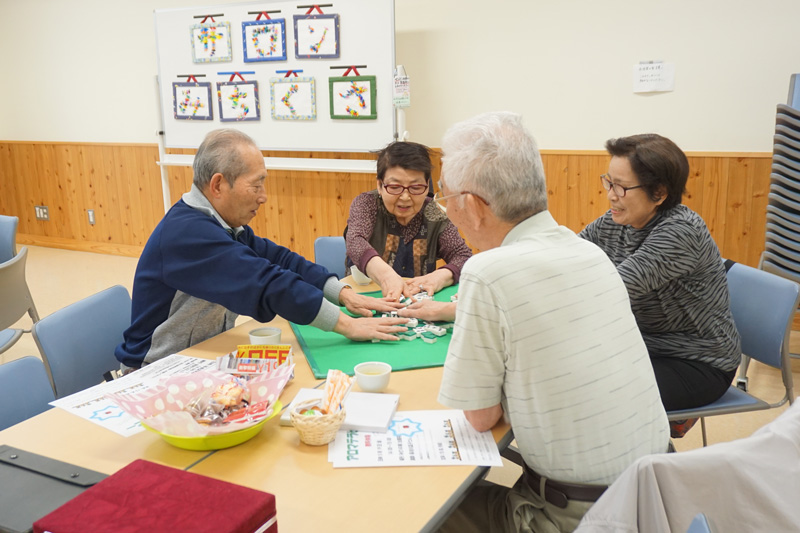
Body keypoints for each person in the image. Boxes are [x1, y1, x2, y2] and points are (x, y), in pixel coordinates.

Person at [435, 112, 669, 532]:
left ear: (471, 205)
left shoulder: (488, 272)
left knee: (420, 506)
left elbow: (480, 417)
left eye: (444, 196)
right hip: (656, 497)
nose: (446, 208)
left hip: (581, 518)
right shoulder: (588, 252)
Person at [115, 129, 406, 370]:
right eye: (256, 186)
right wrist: (347, 325)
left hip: (202, 356)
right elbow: (267, 281)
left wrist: (344, 295)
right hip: (155, 371)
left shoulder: (219, 224)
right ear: (218, 185)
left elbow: (279, 259)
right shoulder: (187, 234)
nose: (264, 197)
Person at [578, 134, 741, 415]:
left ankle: (658, 456)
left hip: (696, 362)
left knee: (590, 397)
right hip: (644, 346)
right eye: (609, 182)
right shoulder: (616, 220)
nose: (611, 194)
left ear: (659, 193)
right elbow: (569, 256)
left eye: (622, 187)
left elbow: (608, 290)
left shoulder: (680, 232)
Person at [344, 141, 473, 301]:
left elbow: (462, 256)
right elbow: (355, 241)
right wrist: (386, 276)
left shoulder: (434, 212)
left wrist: (440, 276)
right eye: (395, 186)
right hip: (366, 299)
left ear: (427, 187)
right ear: (379, 185)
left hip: (416, 302)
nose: (405, 197)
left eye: (416, 187)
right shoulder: (367, 204)